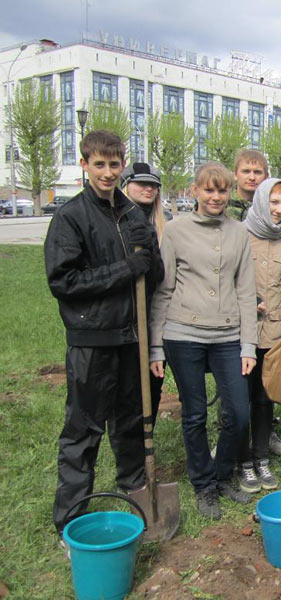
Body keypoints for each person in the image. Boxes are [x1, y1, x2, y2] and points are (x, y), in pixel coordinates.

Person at [44, 130, 163, 535]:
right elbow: (64, 281)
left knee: (130, 420)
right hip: (92, 340)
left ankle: (133, 485)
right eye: (100, 165)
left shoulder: (132, 214)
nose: (108, 173)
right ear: (84, 165)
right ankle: (72, 517)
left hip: (133, 338)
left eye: (115, 165)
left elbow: (154, 275)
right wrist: (124, 269)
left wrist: (149, 250)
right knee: (84, 430)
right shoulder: (71, 217)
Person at [149, 161, 258, 520]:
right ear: (195, 191)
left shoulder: (239, 233)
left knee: (239, 414)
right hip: (184, 334)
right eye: (208, 190)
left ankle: (222, 473)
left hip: (227, 335)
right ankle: (203, 485)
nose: (216, 197)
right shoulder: (177, 231)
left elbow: (245, 291)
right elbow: (163, 291)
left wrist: (248, 345)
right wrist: (156, 346)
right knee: (194, 414)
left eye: (222, 190)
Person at [233, 178, 281, 493]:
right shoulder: (239, 236)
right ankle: (242, 460)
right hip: (241, 331)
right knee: (239, 400)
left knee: (263, 399)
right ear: (261, 202)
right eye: (274, 203)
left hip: (273, 333)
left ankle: (261, 457)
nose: (279, 210)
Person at [121, 162, 172, 425]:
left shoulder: (164, 226)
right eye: (141, 183)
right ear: (126, 185)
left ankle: (146, 434)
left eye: (152, 184)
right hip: (126, 315)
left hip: (158, 313)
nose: (148, 189)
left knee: (153, 380)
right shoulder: (117, 222)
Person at [229, 149, 268, 221]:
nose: (252, 178)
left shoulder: (272, 207)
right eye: (246, 172)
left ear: (266, 177)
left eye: (257, 172)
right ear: (235, 174)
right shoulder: (222, 203)